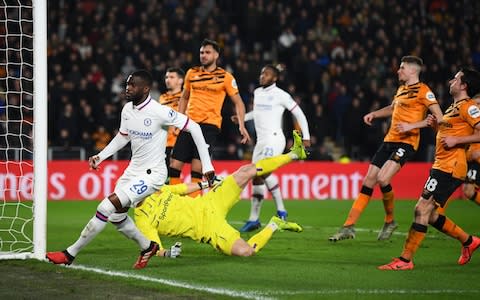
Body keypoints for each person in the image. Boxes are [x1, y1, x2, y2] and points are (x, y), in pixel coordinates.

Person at [46, 70, 215, 269]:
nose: (128, 88)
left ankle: (70, 254)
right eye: (127, 84)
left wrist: (208, 165)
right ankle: (147, 247)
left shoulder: (159, 111)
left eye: (133, 85)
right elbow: (123, 136)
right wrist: (101, 156)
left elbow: (194, 127)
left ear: (145, 89)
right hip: (133, 170)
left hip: (154, 174)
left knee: (105, 207)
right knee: (117, 216)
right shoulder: (127, 109)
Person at [134, 131, 306, 257]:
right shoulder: (141, 220)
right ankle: (274, 225)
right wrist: (167, 253)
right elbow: (153, 246)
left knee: (246, 171)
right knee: (246, 251)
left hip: (210, 202)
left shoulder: (155, 190)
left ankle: (294, 153)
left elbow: (181, 189)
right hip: (208, 229)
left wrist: (205, 184)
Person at [329, 56, 443, 242]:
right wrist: (375, 113)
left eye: (402, 68)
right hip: (389, 139)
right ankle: (348, 226)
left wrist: (411, 126)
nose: (398, 71)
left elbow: (438, 117)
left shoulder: (424, 91)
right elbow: (392, 108)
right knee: (368, 181)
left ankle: (389, 220)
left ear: (413, 71)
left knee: (382, 179)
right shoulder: (401, 90)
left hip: (407, 143)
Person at [378, 67, 480, 270]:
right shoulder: (453, 107)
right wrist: (437, 128)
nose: (451, 80)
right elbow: (449, 133)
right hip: (441, 165)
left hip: (450, 167)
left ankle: (405, 260)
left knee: (421, 209)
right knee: (431, 215)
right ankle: (469, 241)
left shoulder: (469, 107)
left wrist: (458, 139)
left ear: (463, 85)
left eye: (456, 78)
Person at [233, 65, 311, 232]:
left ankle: (279, 210)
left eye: (267, 74)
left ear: (274, 78)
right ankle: (256, 219)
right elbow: (258, 113)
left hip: (275, 139)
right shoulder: (258, 93)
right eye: (262, 73)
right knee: (256, 177)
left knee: (262, 171)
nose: (262, 76)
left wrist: (306, 137)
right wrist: (242, 118)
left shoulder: (281, 95)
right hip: (260, 142)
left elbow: (299, 114)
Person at [169, 39, 250, 197]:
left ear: (216, 55)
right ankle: (172, 203)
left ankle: (193, 205)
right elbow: (184, 98)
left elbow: (239, 102)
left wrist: (242, 125)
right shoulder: (191, 73)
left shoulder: (225, 77)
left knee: (197, 167)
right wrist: (178, 119)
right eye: (201, 53)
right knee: (174, 165)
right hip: (189, 123)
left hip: (209, 126)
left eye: (207, 52)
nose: (203, 55)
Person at [159, 67, 184, 165]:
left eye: (172, 77)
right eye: (166, 77)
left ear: (180, 80)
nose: (168, 80)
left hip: (180, 142)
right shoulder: (162, 98)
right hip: (164, 143)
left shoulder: (185, 97)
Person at [462, 94, 480, 207]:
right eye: (475, 104)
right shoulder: (468, 121)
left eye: (479, 104)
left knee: (468, 190)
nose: (477, 106)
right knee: (468, 190)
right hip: (473, 162)